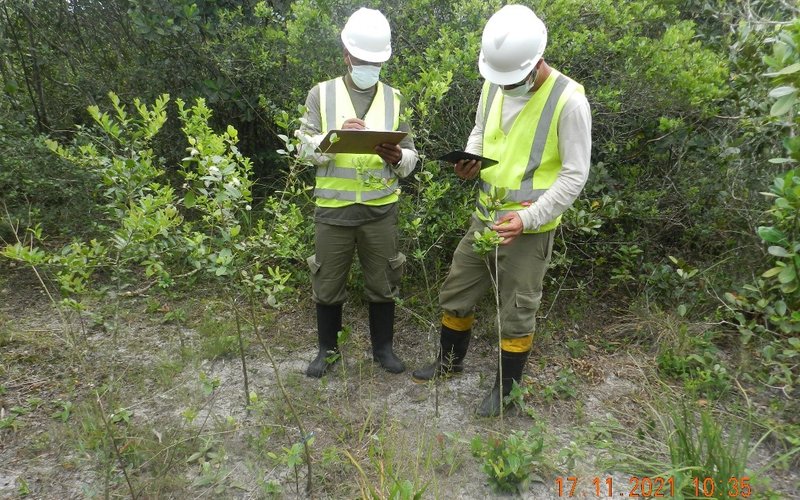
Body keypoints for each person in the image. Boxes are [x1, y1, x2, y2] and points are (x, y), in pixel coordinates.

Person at [412, 5, 592, 417]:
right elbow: (480, 129)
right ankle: (449, 363)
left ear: (537, 62)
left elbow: (574, 175)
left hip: (529, 228)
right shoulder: (495, 81)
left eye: (513, 80)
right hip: (485, 216)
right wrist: (471, 158)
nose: (505, 86)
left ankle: (505, 392)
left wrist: (528, 218)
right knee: (457, 289)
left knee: (517, 310)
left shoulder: (569, 101)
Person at [296, 7, 418, 378]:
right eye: (363, 59)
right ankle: (326, 352)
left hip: (380, 210)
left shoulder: (396, 98)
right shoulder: (321, 94)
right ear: (347, 56)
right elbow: (301, 149)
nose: (369, 65)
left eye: (376, 61)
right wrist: (333, 138)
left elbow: (413, 156)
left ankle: (383, 350)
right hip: (333, 212)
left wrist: (399, 157)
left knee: (383, 282)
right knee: (327, 283)